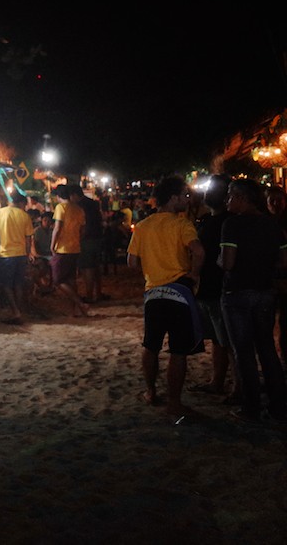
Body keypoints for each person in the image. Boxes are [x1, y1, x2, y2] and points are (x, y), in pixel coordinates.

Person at [126, 175, 204, 419]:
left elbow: (131, 262)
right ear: (172, 198)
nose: (187, 200)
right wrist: (194, 274)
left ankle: (150, 392)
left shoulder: (143, 226)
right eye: (183, 195)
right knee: (178, 350)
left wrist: (151, 268)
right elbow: (199, 251)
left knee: (151, 345)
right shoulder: (182, 224)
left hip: (154, 292)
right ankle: (174, 403)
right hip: (179, 290)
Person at [219, 178, 287, 423]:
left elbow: (228, 262)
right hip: (265, 291)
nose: (227, 200)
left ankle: (251, 407)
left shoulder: (232, 224)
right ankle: (278, 406)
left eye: (230, 195)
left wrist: (219, 261)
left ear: (241, 198)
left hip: (237, 292)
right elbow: (284, 261)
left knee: (244, 351)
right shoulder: (272, 224)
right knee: (267, 348)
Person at [188, 174, 236, 399]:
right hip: (206, 288)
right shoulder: (207, 220)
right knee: (217, 339)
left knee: (229, 340)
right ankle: (217, 381)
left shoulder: (231, 222)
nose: (209, 193)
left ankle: (239, 387)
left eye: (215, 190)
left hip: (222, 289)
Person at [0, 192, 35, 324]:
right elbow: (28, 239)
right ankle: (18, 310)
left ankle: (15, 311)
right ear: (21, 203)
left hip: (6, 255)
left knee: (6, 285)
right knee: (18, 284)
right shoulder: (25, 216)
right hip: (21, 254)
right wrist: (27, 254)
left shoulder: (0, 213)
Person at [50, 184, 91, 316]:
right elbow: (83, 229)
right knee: (71, 279)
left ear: (58, 196)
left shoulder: (61, 207)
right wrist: (76, 238)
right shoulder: (78, 209)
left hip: (62, 248)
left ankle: (80, 304)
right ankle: (75, 310)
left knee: (58, 280)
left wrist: (52, 245)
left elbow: (57, 228)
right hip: (75, 247)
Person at [71, 184, 106, 303]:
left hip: (87, 239)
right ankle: (98, 293)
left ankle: (90, 295)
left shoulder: (79, 206)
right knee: (95, 266)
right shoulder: (93, 203)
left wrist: (80, 238)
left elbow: (84, 225)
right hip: (97, 237)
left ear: (74, 195)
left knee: (87, 268)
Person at [264, 184, 287, 365]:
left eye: (279, 200)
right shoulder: (263, 223)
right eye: (272, 200)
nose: (275, 204)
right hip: (268, 279)